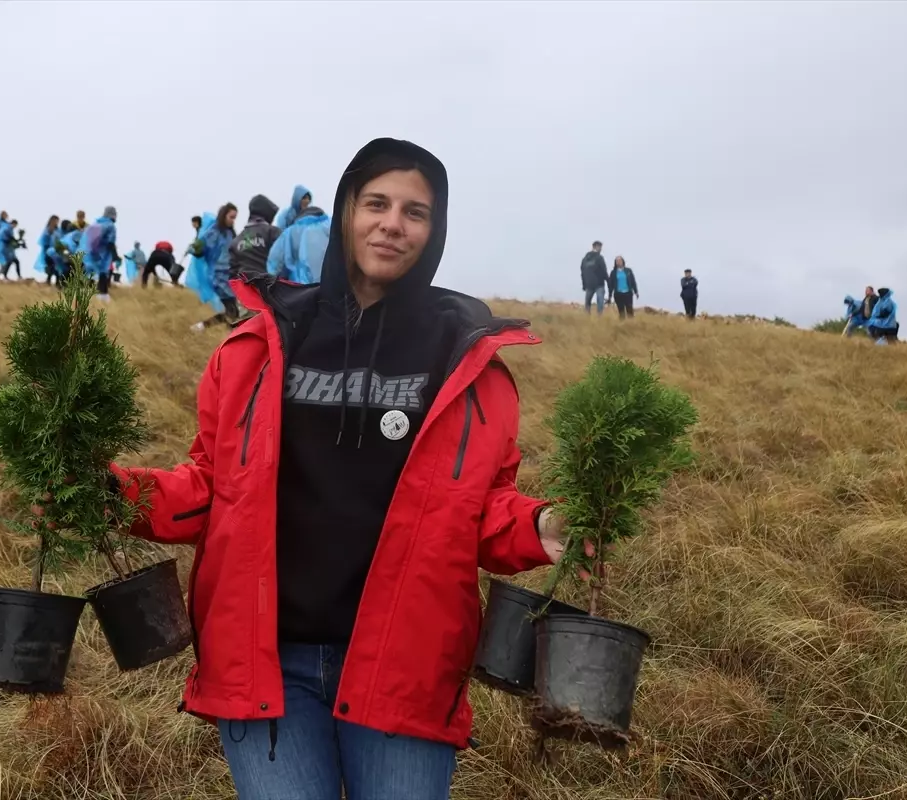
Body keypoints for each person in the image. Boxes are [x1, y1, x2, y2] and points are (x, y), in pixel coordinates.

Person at [95, 138, 568, 800]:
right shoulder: (259, 343)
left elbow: (481, 508)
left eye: (415, 211)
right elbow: (207, 490)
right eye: (375, 203)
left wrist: (538, 525)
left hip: (407, 662)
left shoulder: (465, 361)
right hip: (267, 661)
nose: (392, 224)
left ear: (435, 231)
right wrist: (110, 495)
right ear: (346, 211)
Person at [189, 203, 240, 330]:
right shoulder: (214, 232)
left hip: (229, 277)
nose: (233, 220)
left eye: (235, 218)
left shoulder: (230, 233)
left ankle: (202, 328)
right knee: (232, 312)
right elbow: (200, 247)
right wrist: (196, 247)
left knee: (233, 313)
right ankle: (201, 327)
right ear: (224, 215)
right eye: (231, 217)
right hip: (218, 277)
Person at [266, 196, 331, 284]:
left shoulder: (290, 232)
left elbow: (274, 264)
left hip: (299, 290)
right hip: (333, 288)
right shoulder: (331, 226)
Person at [230, 194, 282, 278]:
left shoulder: (235, 241)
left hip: (244, 288)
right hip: (269, 286)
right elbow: (283, 260)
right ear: (267, 213)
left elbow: (232, 274)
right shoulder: (273, 232)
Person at [82, 206, 120, 302]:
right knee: (103, 273)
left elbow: (87, 240)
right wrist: (115, 255)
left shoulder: (96, 223)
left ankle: (84, 295)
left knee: (89, 273)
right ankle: (103, 295)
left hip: (90, 253)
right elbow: (111, 242)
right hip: (103, 254)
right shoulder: (111, 226)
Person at [580, 241, 608, 315]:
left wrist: (584, 284)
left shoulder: (585, 259)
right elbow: (604, 270)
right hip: (595, 285)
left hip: (594, 284)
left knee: (592, 302)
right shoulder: (597, 258)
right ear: (595, 246)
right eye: (600, 247)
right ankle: (594, 318)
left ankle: (595, 319)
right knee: (594, 302)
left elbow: (582, 273)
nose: (601, 249)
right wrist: (608, 281)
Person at [35, 215, 61, 286]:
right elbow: (44, 241)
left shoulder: (58, 230)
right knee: (52, 267)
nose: (57, 222)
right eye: (56, 221)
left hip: (57, 253)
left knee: (57, 268)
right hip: (49, 253)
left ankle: (56, 282)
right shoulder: (48, 230)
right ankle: (49, 281)